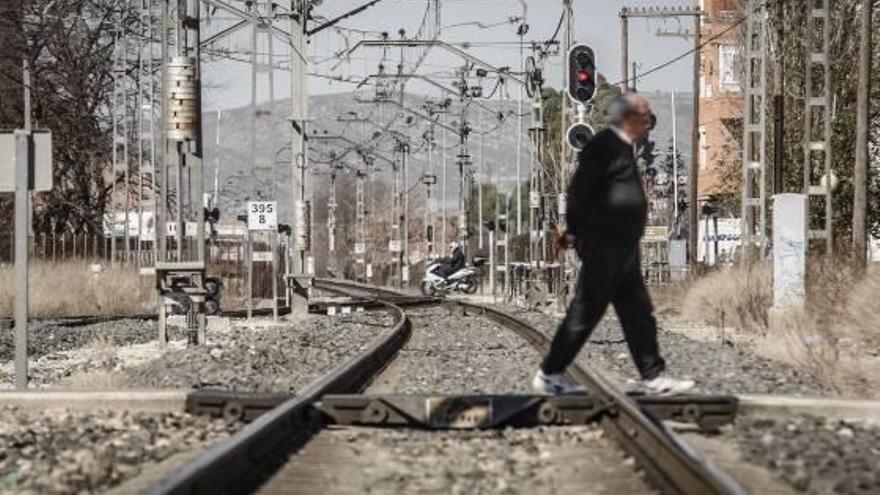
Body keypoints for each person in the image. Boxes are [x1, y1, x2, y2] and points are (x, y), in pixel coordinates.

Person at [532, 93, 695, 396]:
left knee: (637, 312)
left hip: (622, 249)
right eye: (644, 115)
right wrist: (573, 231)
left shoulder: (621, 147)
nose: (649, 121)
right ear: (629, 117)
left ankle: (653, 376)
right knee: (585, 312)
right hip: (604, 245)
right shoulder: (603, 146)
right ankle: (550, 373)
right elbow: (580, 190)